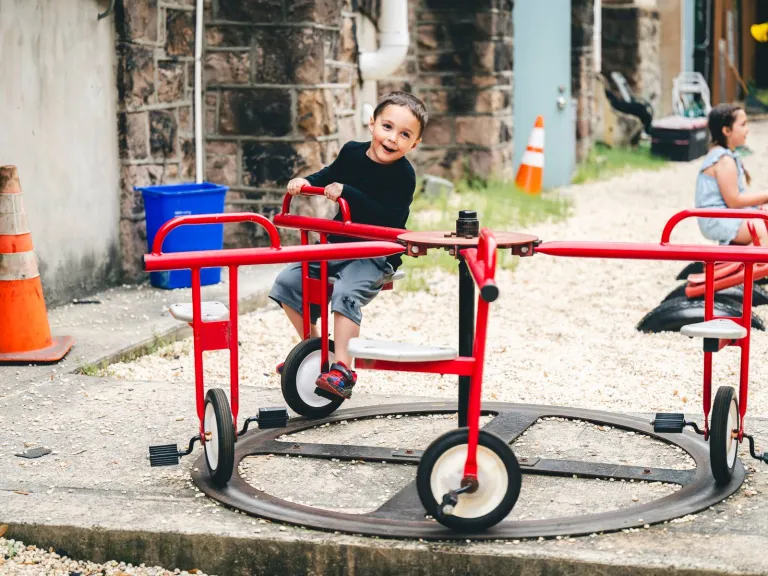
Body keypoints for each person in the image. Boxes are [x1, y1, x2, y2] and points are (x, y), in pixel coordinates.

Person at [269, 91, 428, 399]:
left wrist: (348, 192)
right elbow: (330, 175)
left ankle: (342, 368)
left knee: (345, 292)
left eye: (404, 134)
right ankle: (313, 349)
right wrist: (306, 182)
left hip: (376, 251)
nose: (393, 138)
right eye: (387, 127)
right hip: (339, 244)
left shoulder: (403, 176)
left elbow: (386, 216)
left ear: (414, 144)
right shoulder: (352, 152)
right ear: (372, 124)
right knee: (287, 282)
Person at [695, 103, 768, 245]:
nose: (747, 130)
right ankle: (760, 265)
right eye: (743, 125)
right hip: (717, 219)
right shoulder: (724, 160)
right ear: (727, 131)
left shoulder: (726, 155)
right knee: (760, 231)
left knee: (762, 221)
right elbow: (734, 201)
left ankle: (743, 262)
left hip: (724, 216)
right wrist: (765, 196)